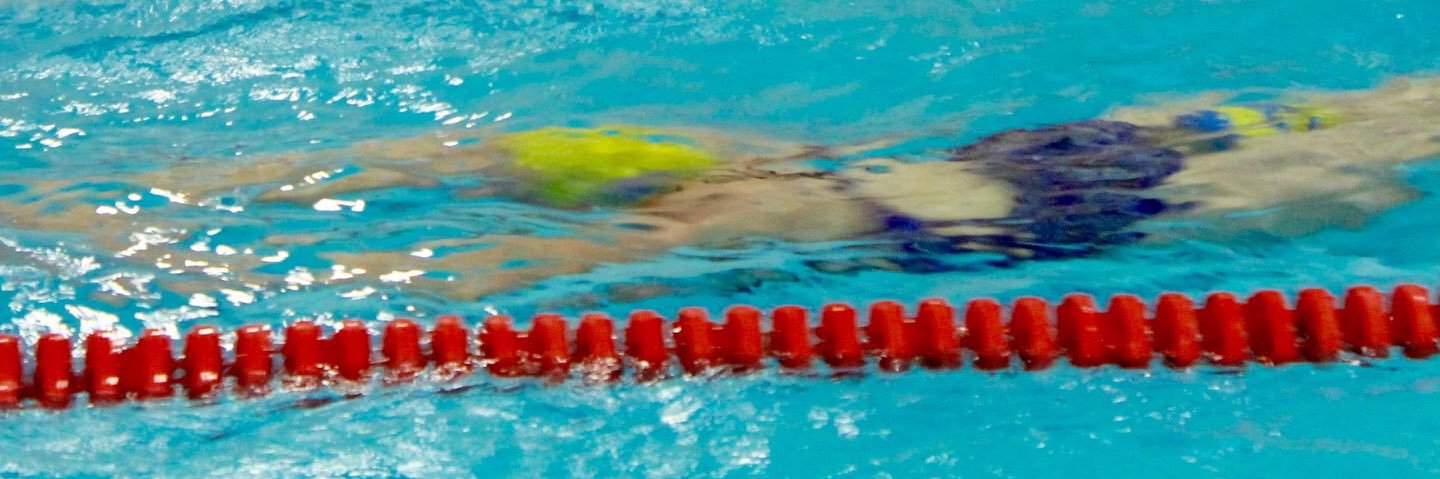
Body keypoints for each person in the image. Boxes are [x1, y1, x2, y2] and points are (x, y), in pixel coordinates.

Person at [4, 76, 1440, 300]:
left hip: (882, 162)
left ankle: (81, 221)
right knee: (509, 280)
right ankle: (194, 293)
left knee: (448, 164)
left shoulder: (1374, 98)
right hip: (938, 207)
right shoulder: (1385, 157)